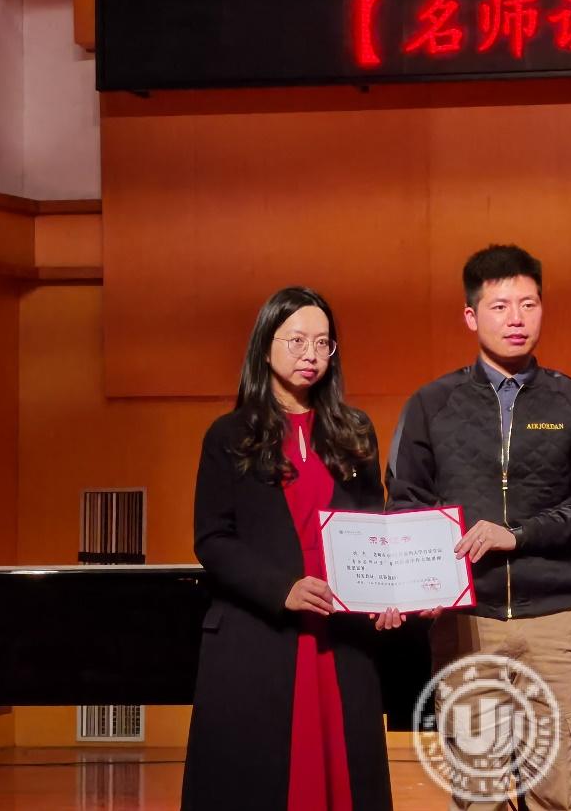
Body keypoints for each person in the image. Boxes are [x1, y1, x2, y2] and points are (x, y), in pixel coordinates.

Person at [386, 244, 571, 811]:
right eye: (500, 306)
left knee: (558, 795)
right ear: (471, 316)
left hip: (557, 624)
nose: (516, 318)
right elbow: (405, 506)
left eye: (528, 304)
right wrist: (419, 585)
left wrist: (517, 533)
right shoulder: (431, 405)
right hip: (469, 624)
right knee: (480, 797)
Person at [182, 286, 400, 811]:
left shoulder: (355, 431)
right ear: (265, 346)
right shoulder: (228, 435)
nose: (311, 354)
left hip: (341, 638)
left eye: (323, 343)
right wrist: (282, 589)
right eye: (297, 340)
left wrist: (386, 594)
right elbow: (212, 537)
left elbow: (375, 529)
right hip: (260, 637)